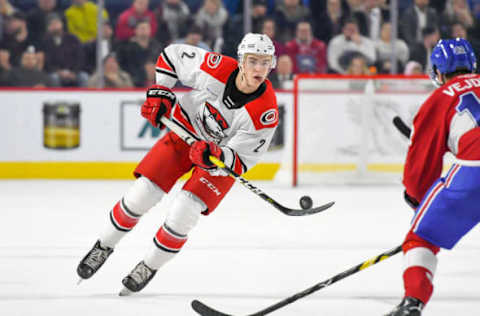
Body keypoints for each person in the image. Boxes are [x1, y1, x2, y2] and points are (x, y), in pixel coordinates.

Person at [76, 33, 279, 294]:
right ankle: (104, 245)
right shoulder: (217, 68)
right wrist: (162, 91)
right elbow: (171, 57)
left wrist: (216, 155)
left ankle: (149, 266)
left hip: (216, 160)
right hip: (184, 132)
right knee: (142, 194)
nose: (259, 69)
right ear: (241, 61)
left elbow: (242, 159)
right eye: (253, 61)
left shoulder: (265, 112)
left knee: (183, 213)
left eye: (266, 62)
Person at [385, 38, 479, 316]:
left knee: (420, 237)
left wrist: (417, 198)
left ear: (438, 71)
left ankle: (412, 303)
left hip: (474, 175)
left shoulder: (440, 98)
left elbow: (420, 166)